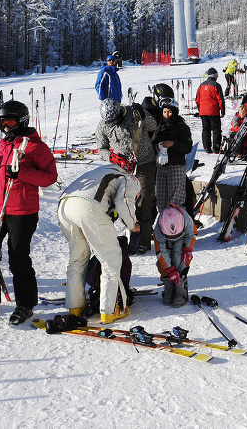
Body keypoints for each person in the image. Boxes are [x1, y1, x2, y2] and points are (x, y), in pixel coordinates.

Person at [0, 101, 58, 324]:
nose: (5, 126)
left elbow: (50, 177)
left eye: (10, 122)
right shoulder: (3, 145)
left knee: (17, 259)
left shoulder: (36, 147)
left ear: (22, 121)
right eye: (1, 122)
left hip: (22, 211)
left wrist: (22, 173)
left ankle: (25, 305)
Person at [57, 162, 141, 324]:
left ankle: (75, 306)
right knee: (111, 259)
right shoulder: (131, 179)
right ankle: (109, 311)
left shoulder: (101, 171)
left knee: (77, 259)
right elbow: (124, 202)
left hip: (65, 206)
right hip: (89, 207)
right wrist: (133, 225)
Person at [96, 97, 158, 254]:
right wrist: (110, 157)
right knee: (121, 202)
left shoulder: (134, 113)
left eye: (116, 120)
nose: (114, 123)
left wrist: (143, 114)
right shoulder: (104, 125)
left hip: (144, 162)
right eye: (111, 122)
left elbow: (153, 125)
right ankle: (118, 237)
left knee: (143, 200)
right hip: (122, 168)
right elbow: (101, 147)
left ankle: (143, 241)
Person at [152, 98, 193, 211]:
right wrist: (156, 147)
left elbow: (187, 148)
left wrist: (173, 144)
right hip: (161, 166)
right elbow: (153, 141)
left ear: (174, 111)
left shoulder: (182, 127)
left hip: (176, 166)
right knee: (161, 199)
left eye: (169, 112)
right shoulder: (160, 126)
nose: (167, 114)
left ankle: (176, 225)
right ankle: (163, 223)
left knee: (175, 200)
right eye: (164, 112)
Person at [154, 204, 196, 308]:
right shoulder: (158, 230)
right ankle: (169, 288)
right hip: (165, 241)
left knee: (180, 258)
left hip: (182, 238)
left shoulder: (187, 220)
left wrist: (187, 249)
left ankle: (181, 291)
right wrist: (170, 271)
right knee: (162, 263)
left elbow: (192, 234)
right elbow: (161, 252)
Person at [195, 67, 225, 154]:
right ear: (215, 76)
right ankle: (216, 148)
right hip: (213, 111)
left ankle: (207, 148)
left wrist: (200, 109)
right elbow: (220, 100)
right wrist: (222, 112)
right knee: (216, 129)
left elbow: (197, 99)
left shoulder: (201, 85)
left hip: (203, 111)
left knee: (206, 129)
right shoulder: (216, 85)